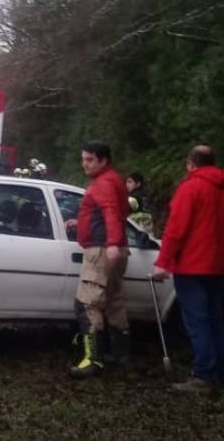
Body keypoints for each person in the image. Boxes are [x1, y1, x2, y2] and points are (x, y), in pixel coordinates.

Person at [152, 145, 224, 393]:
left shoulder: (190, 188)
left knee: (197, 322)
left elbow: (175, 229)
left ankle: (203, 375)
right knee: (216, 320)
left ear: (191, 164)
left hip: (192, 267)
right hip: (219, 268)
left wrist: (163, 262)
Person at [63, 141, 131, 378]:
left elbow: (111, 211)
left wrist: (111, 243)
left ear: (104, 160)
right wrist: (79, 222)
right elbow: (119, 212)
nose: (85, 164)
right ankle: (119, 355)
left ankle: (93, 360)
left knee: (87, 304)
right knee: (114, 302)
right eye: (83, 159)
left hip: (102, 251)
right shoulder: (116, 181)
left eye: (90, 159)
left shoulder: (103, 184)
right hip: (117, 250)